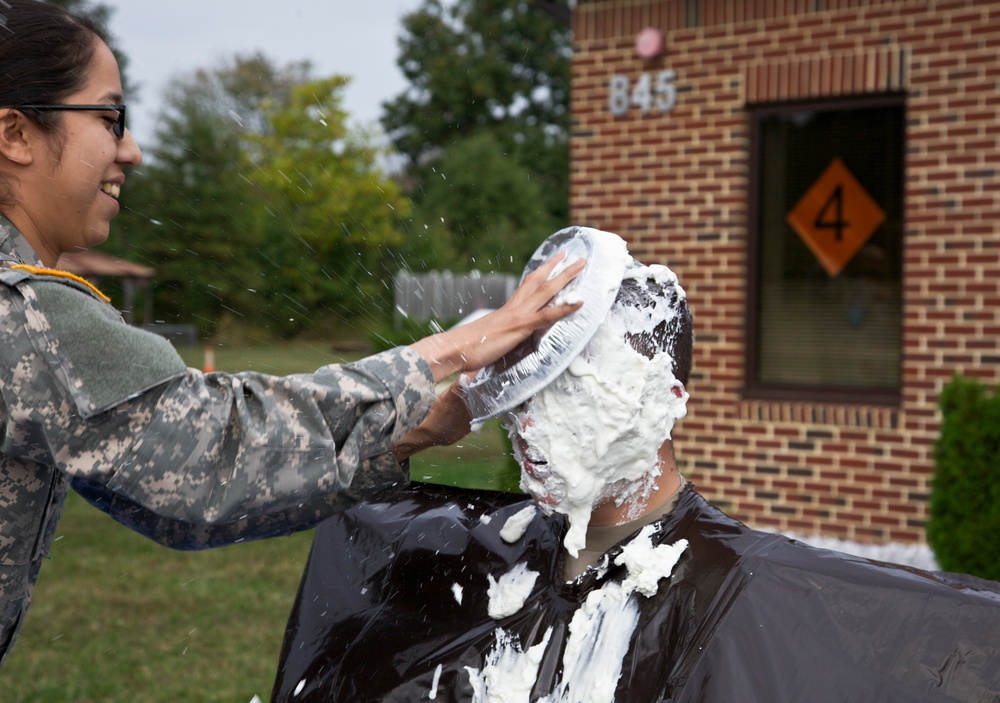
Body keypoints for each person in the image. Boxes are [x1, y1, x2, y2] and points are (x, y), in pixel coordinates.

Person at [0, 0, 584, 669]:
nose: (130, 148)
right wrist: (452, 347)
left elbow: (164, 483)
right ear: (16, 133)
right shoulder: (25, 313)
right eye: (109, 118)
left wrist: (420, 423)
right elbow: (220, 447)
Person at [271, 255, 1000, 702]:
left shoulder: (746, 599)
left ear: (665, 402)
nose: (528, 423)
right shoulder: (466, 560)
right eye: (526, 390)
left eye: (571, 391)